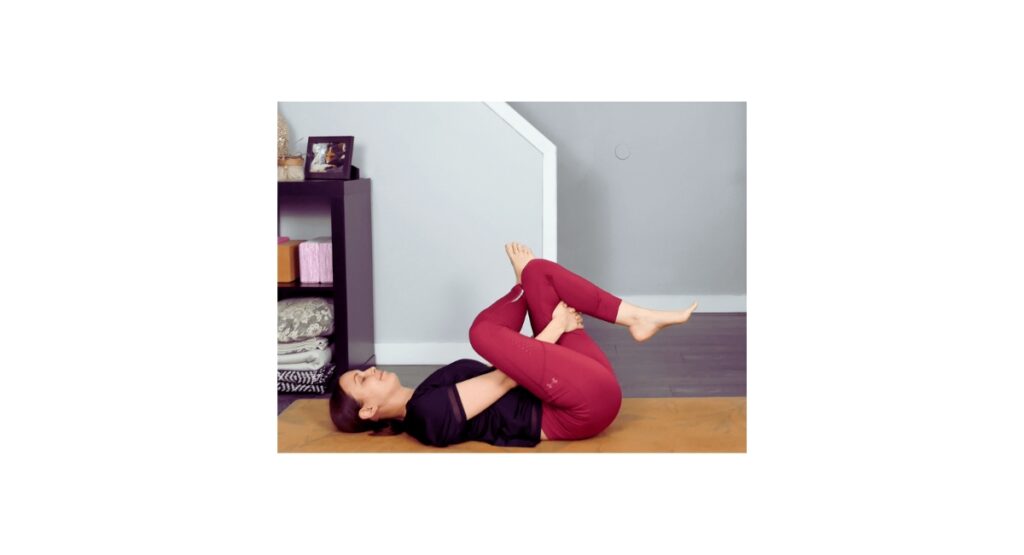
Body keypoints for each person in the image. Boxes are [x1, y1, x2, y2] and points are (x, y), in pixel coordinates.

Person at [329, 242, 698, 447]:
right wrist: (555, 328)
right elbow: (507, 379)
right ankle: (521, 285)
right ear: (368, 411)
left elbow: (520, 366)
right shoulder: (426, 418)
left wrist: (552, 322)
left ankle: (636, 317)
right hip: (579, 409)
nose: (370, 370)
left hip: (571, 383)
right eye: (362, 380)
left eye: (362, 372)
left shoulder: (426, 390)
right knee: (481, 336)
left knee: (538, 271)